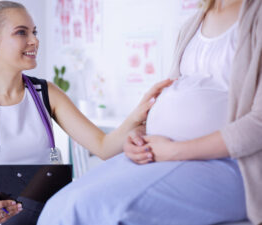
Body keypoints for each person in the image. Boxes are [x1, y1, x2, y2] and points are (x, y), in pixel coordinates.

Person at [0, 1, 172, 225]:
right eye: (21, 32)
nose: (34, 40)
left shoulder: (47, 93)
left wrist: (136, 115)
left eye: (34, 32)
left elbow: (103, 146)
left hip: (49, 217)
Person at [37, 0, 262, 224]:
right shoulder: (193, 23)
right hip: (164, 155)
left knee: (93, 208)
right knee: (60, 206)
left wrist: (175, 151)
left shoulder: (256, 15)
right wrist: (138, 139)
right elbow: (178, 98)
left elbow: (258, 124)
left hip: (232, 164)